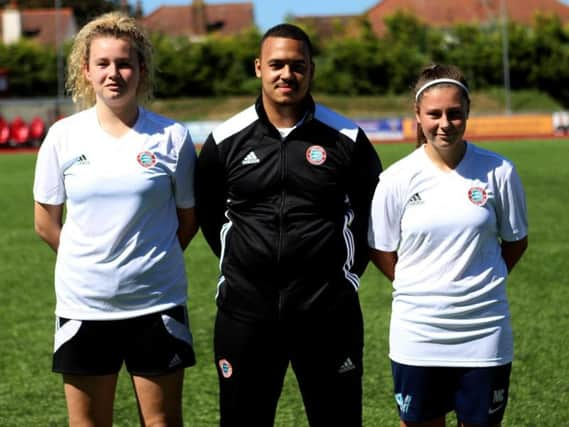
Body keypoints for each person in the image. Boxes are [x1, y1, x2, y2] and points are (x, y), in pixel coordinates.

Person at [195, 23, 382, 427]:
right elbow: (210, 218)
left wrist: (341, 280)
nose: (287, 74)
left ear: (311, 70)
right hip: (245, 315)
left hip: (328, 315)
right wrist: (248, 265)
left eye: (297, 66)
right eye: (277, 64)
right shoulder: (224, 140)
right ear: (258, 67)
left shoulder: (347, 139)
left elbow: (372, 218)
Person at [33, 12, 198, 427]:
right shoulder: (63, 136)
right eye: (103, 64)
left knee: (162, 422)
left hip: (156, 301)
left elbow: (188, 220)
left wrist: (145, 261)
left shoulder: (172, 137)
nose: (114, 73)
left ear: (140, 69)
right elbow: (46, 222)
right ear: (85, 70)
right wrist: (88, 260)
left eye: (124, 63)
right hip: (84, 304)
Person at [368, 64, 529, 427]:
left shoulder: (499, 171)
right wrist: (416, 286)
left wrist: (480, 283)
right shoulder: (395, 179)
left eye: (455, 113)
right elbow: (380, 248)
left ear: (467, 113)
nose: (445, 123)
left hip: (484, 332)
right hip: (418, 334)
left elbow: (516, 242)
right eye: (434, 114)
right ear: (417, 116)